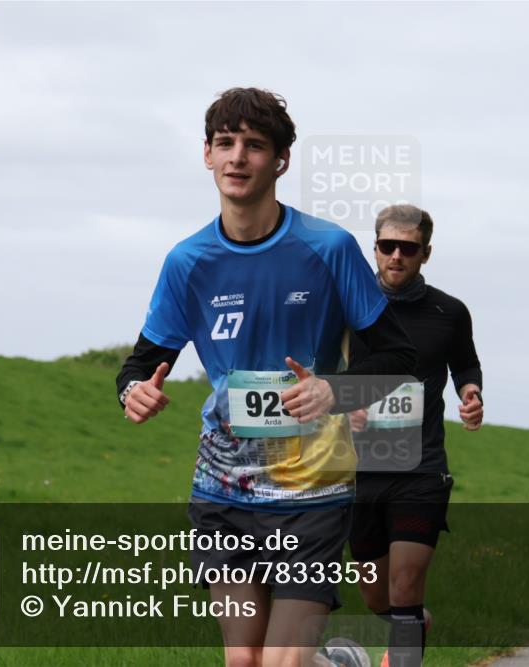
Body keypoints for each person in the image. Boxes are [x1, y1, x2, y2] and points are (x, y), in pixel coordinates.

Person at [116, 88, 415, 667]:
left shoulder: (328, 248)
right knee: (244, 661)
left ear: (280, 160)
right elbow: (140, 362)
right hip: (224, 488)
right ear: (206, 154)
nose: (237, 157)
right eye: (225, 144)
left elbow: (398, 358)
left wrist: (337, 389)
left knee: (282, 662)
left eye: (254, 146)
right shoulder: (188, 261)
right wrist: (135, 391)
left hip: (313, 488)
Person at [346, 205, 483, 666]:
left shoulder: (449, 312)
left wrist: (470, 392)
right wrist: (345, 410)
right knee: (375, 596)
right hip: (358, 468)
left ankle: (405, 638)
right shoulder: (349, 308)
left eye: (409, 248)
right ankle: (414, 623)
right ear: (375, 249)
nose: (397, 256)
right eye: (388, 247)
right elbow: (322, 370)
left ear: (426, 253)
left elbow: (465, 363)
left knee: (406, 585)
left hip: (420, 466)